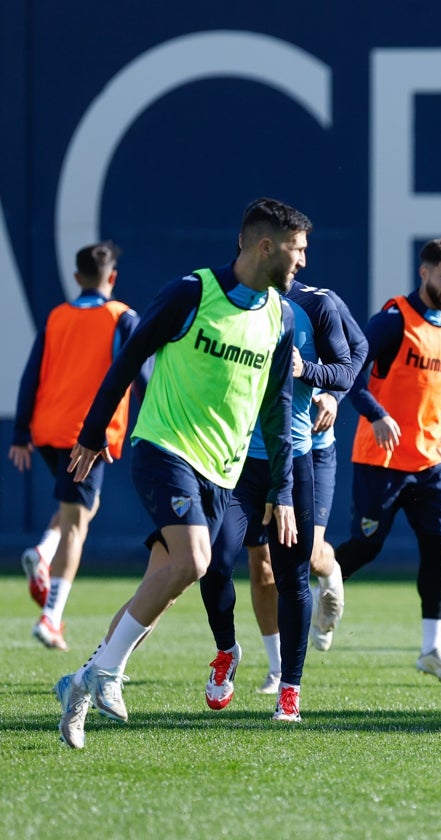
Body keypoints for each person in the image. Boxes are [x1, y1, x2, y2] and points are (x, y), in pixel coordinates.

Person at [55, 197, 303, 749]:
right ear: (265, 246)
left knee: (164, 584)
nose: (303, 261)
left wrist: (282, 488)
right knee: (193, 559)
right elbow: (128, 358)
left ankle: (82, 681)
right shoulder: (192, 292)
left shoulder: (281, 318)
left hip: (224, 472)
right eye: (297, 249)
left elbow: (278, 411)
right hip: (164, 448)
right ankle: (107, 675)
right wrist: (93, 434)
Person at [199, 279, 357, 719]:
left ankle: (290, 687)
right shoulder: (228, 305)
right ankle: (227, 651)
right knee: (212, 564)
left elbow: (347, 367)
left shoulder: (316, 307)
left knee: (291, 576)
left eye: (302, 249)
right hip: (234, 465)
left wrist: (308, 371)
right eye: (294, 249)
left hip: (295, 462)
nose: (300, 260)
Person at [330, 239, 441, 682]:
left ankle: (432, 649)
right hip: (382, 458)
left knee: (438, 548)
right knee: (367, 546)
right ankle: (321, 586)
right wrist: (377, 414)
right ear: (424, 272)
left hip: (432, 459)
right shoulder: (394, 321)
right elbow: (353, 373)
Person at [9, 241, 148, 651]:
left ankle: (43, 550)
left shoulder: (57, 316)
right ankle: (50, 617)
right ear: (113, 277)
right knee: (77, 524)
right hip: (85, 436)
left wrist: (21, 433)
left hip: (49, 430)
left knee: (81, 508)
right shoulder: (121, 317)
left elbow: (30, 376)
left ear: (76, 278)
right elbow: (139, 374)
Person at [249, 289, 366, 695]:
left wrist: (332, 395)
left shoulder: (320, 302)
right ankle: (277, 667)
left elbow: (357, 349)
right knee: (262, 565)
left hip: (311, 447)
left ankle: (331, 574)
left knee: (310, 554)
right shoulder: (240, 300)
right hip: (260, 449)